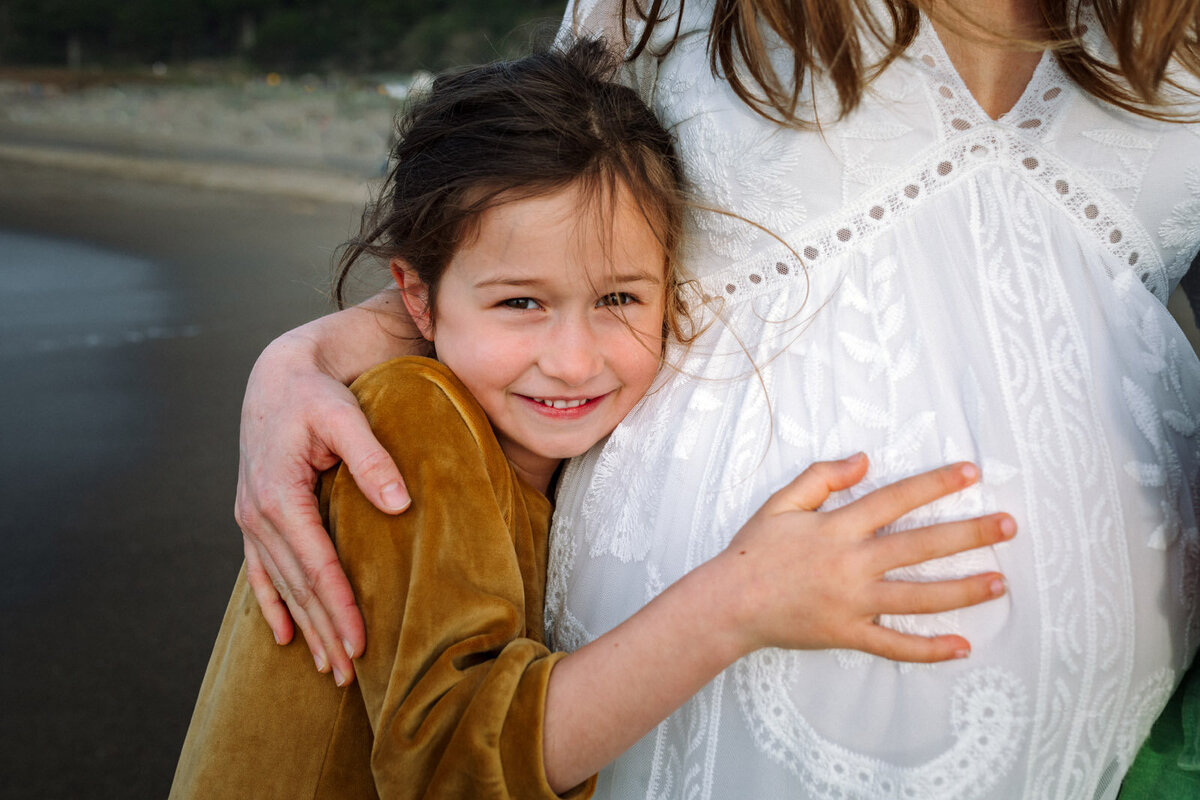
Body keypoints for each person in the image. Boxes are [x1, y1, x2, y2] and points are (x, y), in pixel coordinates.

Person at [233, 1, 1200, 797]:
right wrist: (309, 353)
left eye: (618, 304)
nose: (570, 359)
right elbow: (523, 215)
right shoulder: (417, 445)